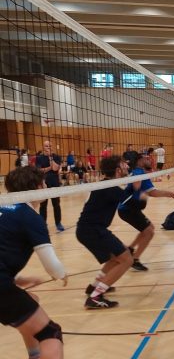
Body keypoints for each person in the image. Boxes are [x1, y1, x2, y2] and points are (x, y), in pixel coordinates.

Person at [0, 166, 68, 358]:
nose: (46, 186)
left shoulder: (3, 207)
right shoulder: (30, 217)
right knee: (50, 333)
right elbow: (50, 262)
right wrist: (60, 274)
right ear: (37, 187)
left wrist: (17, 278)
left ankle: (34, 354)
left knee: (31, 301)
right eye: (44, 183)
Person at [76, 156, 134, 309]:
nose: (126, 165)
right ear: (117, 170)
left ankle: (94, 287)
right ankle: (95, 297)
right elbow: (137, 204)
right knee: (127, 259)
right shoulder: (111, 189)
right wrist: (139, 186)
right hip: (92, 230)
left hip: (88, 229)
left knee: (115, 258)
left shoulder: (107, 185)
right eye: (123, 164)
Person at [118, 153, 174, 271]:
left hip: (130, 208)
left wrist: (167, 194)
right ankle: (135, 259)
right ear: (139, 161)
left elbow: (150, 192)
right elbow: (145, 190)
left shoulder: (140, 172)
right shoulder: (138, 172)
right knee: (149, 232)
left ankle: (130, 249)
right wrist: (168, 193)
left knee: (149, 228)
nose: (149, 160)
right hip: (127, 209)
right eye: (146, 158)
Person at [36, 141, 64, 232]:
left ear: (52, 147)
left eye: (50, 146)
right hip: (44, 183)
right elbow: (39, 171)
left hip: (55, 183)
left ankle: (58, 223)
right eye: (46, 146)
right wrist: (49, 168)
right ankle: (42, 224)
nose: (48, 147)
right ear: (43, 147)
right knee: (43, 205)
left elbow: (55, 168)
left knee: (56, 204)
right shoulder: (39, 158)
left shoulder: (56, 157)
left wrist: (50, 158)